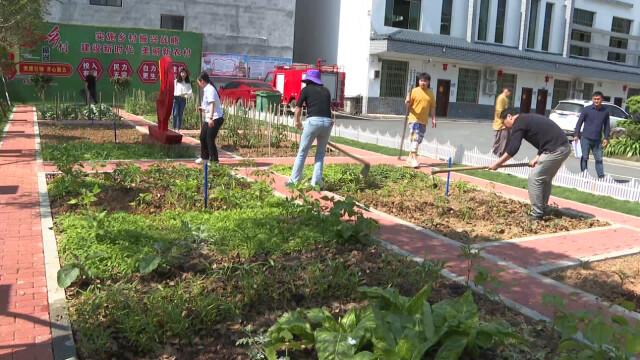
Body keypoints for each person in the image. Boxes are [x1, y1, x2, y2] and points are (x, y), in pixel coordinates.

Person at [488, 109, 571, 221]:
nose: (505, 126)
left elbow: (513, 148)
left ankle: (536, 214)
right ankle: (543, 208)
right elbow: (544, 136)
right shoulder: (525, 119)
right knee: (544, 178)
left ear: (509, 117)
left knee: (534, 178)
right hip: (562, 147)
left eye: (504, 123)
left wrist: (497, 164)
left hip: (556, 149)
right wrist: (538, 157)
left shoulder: (519, 123)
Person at [287, 69, 333, 189]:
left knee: (302, 152)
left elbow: (297, 109)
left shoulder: (306, 90)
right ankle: (316, 182)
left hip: (313, 122)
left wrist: (297, 122)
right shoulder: (326, 91)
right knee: (320, 154)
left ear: (308, 81)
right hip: (328, 122)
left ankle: (294, 180)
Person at [574, 91, 610, 179]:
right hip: (585, 138)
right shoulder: (587, 109)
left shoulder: (605, 111)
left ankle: (601, 177)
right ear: (592, 99)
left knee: (599, 159)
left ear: (602, 99)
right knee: (584, 157)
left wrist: (606, 138)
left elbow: (607, 126)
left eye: (598, 99)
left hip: (597, 140)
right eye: (595, 99)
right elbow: (579, 123)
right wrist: (576, 135)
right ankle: (584, 174)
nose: (596, 101)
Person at [404, 72, 436, 168]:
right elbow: (408, 106)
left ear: (428, 82)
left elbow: (433, 107)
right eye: (421, 80)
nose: (423, 82)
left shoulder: (431, 93)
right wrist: (407, 102)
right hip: (414, 119)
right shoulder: (414, 91)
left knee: (419, 140)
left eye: (425, 81)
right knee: (415, 138)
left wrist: (434, 119)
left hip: (424, 120)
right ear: (418, 81)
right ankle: (414, 159)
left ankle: (409, 158)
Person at [195, 72, 224, 164]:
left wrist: (211, 118)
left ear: (202, 81)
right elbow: (208, 105)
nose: (198, 85)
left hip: (215, 118)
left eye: (198, 82)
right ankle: (204, 157)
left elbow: (212, 104)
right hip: (209, 117)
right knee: (202, 137)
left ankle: (214, 160)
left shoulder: (210, 89)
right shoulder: (207, 89)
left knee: (209, 138)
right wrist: (202, 108)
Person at [492, 87, 512, 156]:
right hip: (501, 123)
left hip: (505, 123)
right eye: (508, 92)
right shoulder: (501, 98)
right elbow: (499, 111)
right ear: (505, 91)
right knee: (501, 141)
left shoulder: (505, 98)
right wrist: (504, 121)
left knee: (506, 140)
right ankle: (499, 154)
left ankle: (501, 154)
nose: (508, 94)